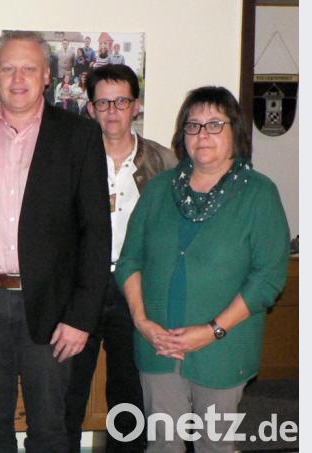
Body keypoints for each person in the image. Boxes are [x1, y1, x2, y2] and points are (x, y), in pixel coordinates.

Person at [0, 30, 110, 451]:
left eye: (29, 68)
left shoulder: (79, 136)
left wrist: (82, 317)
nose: (18, 78)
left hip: (52, 307)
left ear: (47, 76)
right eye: (9, 68)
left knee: (50, 426)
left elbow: (95, 233)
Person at [115, 86, 289, 453]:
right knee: (162, 445)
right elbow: (130, 259)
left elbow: (268, 279)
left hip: (222, 350)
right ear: (183, 136)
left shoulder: (259, 194)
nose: (202, 135)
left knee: (215, 446)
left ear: (235, 132)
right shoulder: (160, 189)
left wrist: (212, 331)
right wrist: (142, 322)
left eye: (214, 124)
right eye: (193, 126)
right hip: (157, 347)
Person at [64, 64, 178, 453]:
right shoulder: (70, 159)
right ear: (91, 108)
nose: (112, 110)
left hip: (135, 291)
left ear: (137, 105)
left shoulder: (164, 163)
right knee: (67, 392)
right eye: (103, 102)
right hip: (78, 289)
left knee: (129, 397)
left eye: (122, 101)